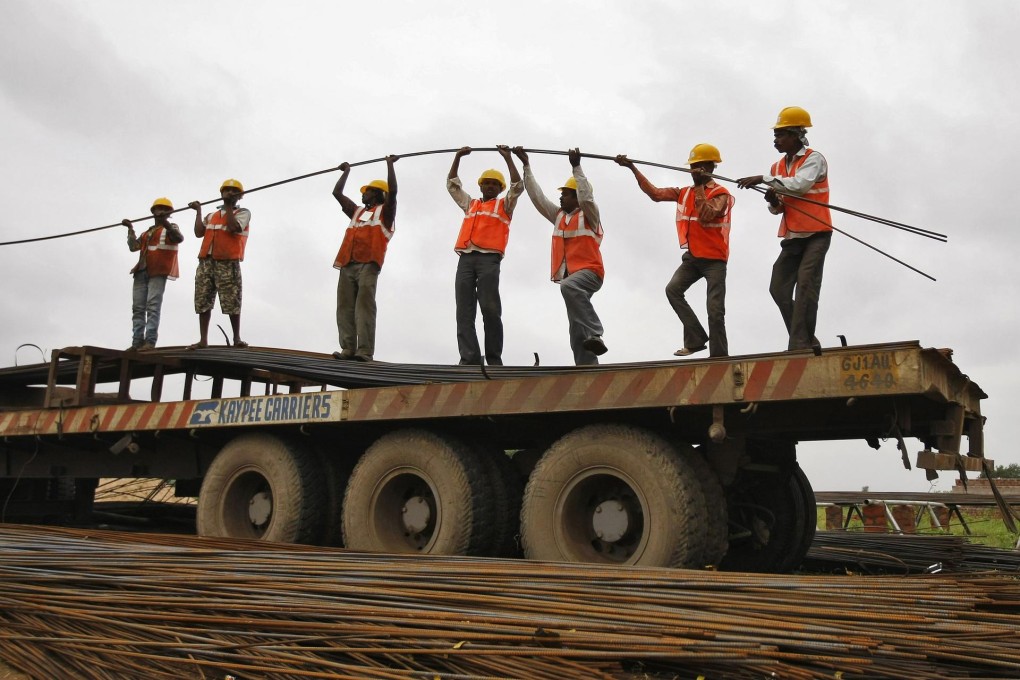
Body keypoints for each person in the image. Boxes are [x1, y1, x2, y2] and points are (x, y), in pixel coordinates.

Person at [616, 144, 734, 358]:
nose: (693, 170)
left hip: (715, 260)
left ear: (710, 167)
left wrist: (699, 187)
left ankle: (719, 357)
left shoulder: (721, 194)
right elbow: (655, 194)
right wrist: (632, 168)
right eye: (692, 166)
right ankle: (696, 339)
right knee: (673, 290)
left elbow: (707, 214)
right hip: (693, 258)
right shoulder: (684, 192)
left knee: (715, 311)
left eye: (698, 166)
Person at [737, 106, 833, 352]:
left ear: (796, 135)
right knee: (778, 288)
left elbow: (800, 186)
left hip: (816, 233)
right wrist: (772, 200)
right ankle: (807, 338)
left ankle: (799, 344)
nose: (775, 141)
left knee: (805, 287)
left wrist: (762, 179)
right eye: (775, 136)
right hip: (792, 236)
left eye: (780, 135)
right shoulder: (776, 167)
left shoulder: (814, 158)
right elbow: (779, 208)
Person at [513, 146, 607, 366]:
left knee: (568, 287)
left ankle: (596, 333)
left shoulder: (589, 215)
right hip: (572, 277)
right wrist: (526, 165)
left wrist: (576, 167)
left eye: (565, 193)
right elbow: (537, 197)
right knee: (575, 328)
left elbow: (587, 197)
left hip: (590, 273)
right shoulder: (558, 216)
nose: (561, 197)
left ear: (576, 197)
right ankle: (587, 368)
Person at [446, 145, 523, 366]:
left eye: (494, 184)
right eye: (486, 183)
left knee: (490, 308)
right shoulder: (471, 204)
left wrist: (508, 158)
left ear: (500, 188)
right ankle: (468, 358)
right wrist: (458, 156)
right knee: (464, 310)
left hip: (489, 260)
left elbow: (518, 186)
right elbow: (452, 184)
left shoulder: (504, 205)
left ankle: (494, 359)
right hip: (466, 260)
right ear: (481, 186)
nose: (490, 186)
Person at [330, 156, 398, 362]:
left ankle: (365, 351)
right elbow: (336, 193)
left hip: (368, 264)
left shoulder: (385, 212)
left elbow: (393, 192)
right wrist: (346, 172)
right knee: (344, 307)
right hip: (347, 263)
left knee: (364, 307)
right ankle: (348, 348)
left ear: (377, 194)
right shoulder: (357, 212)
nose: (364, 193)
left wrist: (389, 165)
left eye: (368, 190)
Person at [187, 179, 251, 349]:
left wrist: (229, 206)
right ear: (221, 193)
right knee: (203, 298)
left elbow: (233, 227)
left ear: (240, 196)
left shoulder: (242, 212)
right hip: (207, 262)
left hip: (227, 261)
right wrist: (199, 211)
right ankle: (203, 340)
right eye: (227, 190)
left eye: (234, 191)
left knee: (231, 298)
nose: (229, 193)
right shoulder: (212, 215)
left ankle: (236, 338)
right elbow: (198, 232)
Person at [121, 198, 183, 351]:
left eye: (164, 209)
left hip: (158, 271)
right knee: (138, 308)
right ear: (153, 211)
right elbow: (134, 246)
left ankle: (149, 342)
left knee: (153, 306)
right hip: (142, 271)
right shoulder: (147, 233)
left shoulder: (171, 228)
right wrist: (130, 229)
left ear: (169, 213)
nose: (160, 211)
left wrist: (166, 223)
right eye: (158, 209)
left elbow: (178, 238)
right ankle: (137, 343)